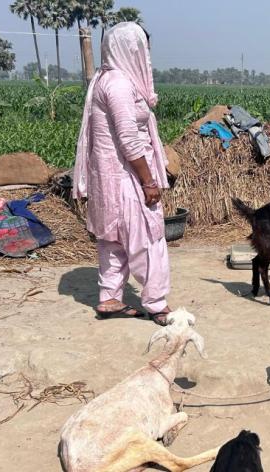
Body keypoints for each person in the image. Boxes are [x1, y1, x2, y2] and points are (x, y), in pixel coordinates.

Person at [73, 22, 172, 325]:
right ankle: (156, 304)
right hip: (125, 177)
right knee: (147, 238)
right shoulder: (118, 84)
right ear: (131, 50)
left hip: (109, 177)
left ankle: (110, 299)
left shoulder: (107, 79)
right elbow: (129, 139)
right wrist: (149, 181)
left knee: (113, 239)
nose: (147, 55)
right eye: (144, 48)